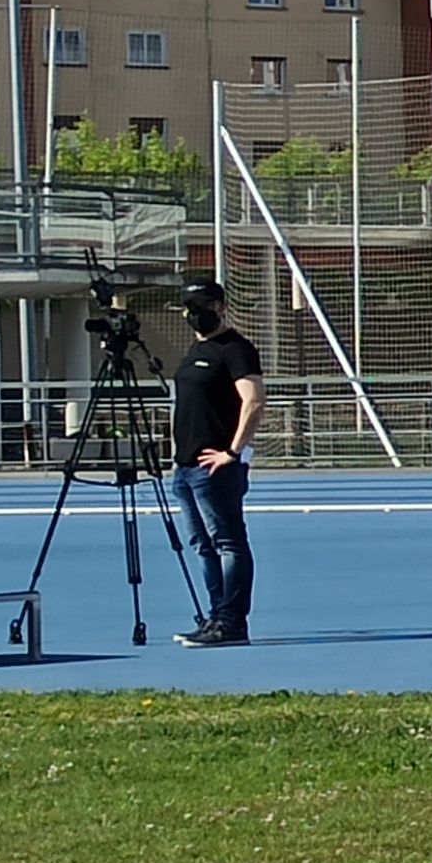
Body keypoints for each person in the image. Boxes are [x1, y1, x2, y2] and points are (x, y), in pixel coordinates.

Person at [167, 270, 262, 648]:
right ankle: (216, 615)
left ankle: (232, 621)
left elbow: (254, 401)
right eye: (189, 308)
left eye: (203, 306)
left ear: (220, 307)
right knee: (202, 544)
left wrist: (233, 452)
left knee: (228, 542)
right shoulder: (195, 352)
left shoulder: (235, 349)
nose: (195, 314)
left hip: (215, 466)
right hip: (186, 466)